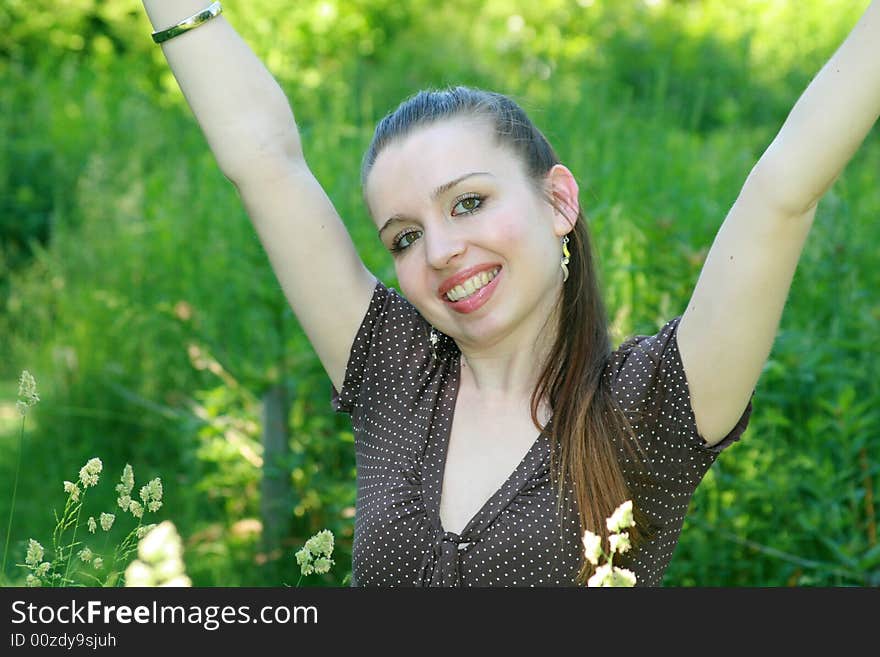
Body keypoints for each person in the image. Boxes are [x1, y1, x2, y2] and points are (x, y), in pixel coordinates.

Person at [141, 1, 880, 586]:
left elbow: (783, 188)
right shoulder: (392, 370)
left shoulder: (651, 406)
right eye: (403, 236)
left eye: (467, 202)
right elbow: (264, 161)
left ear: (558, 200)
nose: (440, 251)